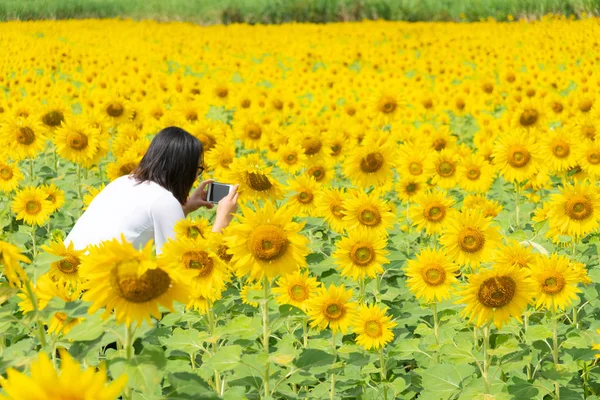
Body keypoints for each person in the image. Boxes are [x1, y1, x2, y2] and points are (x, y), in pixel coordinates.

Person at [65, 126, 238, 254]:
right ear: (183, 170)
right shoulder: (164, 202)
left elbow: (140, 223)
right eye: (198, 169)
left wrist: (185, 208)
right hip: (90, 292)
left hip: (63, 276)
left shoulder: (123, 182)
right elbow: (182, 267)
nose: (196, 177)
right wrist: (223, 219)